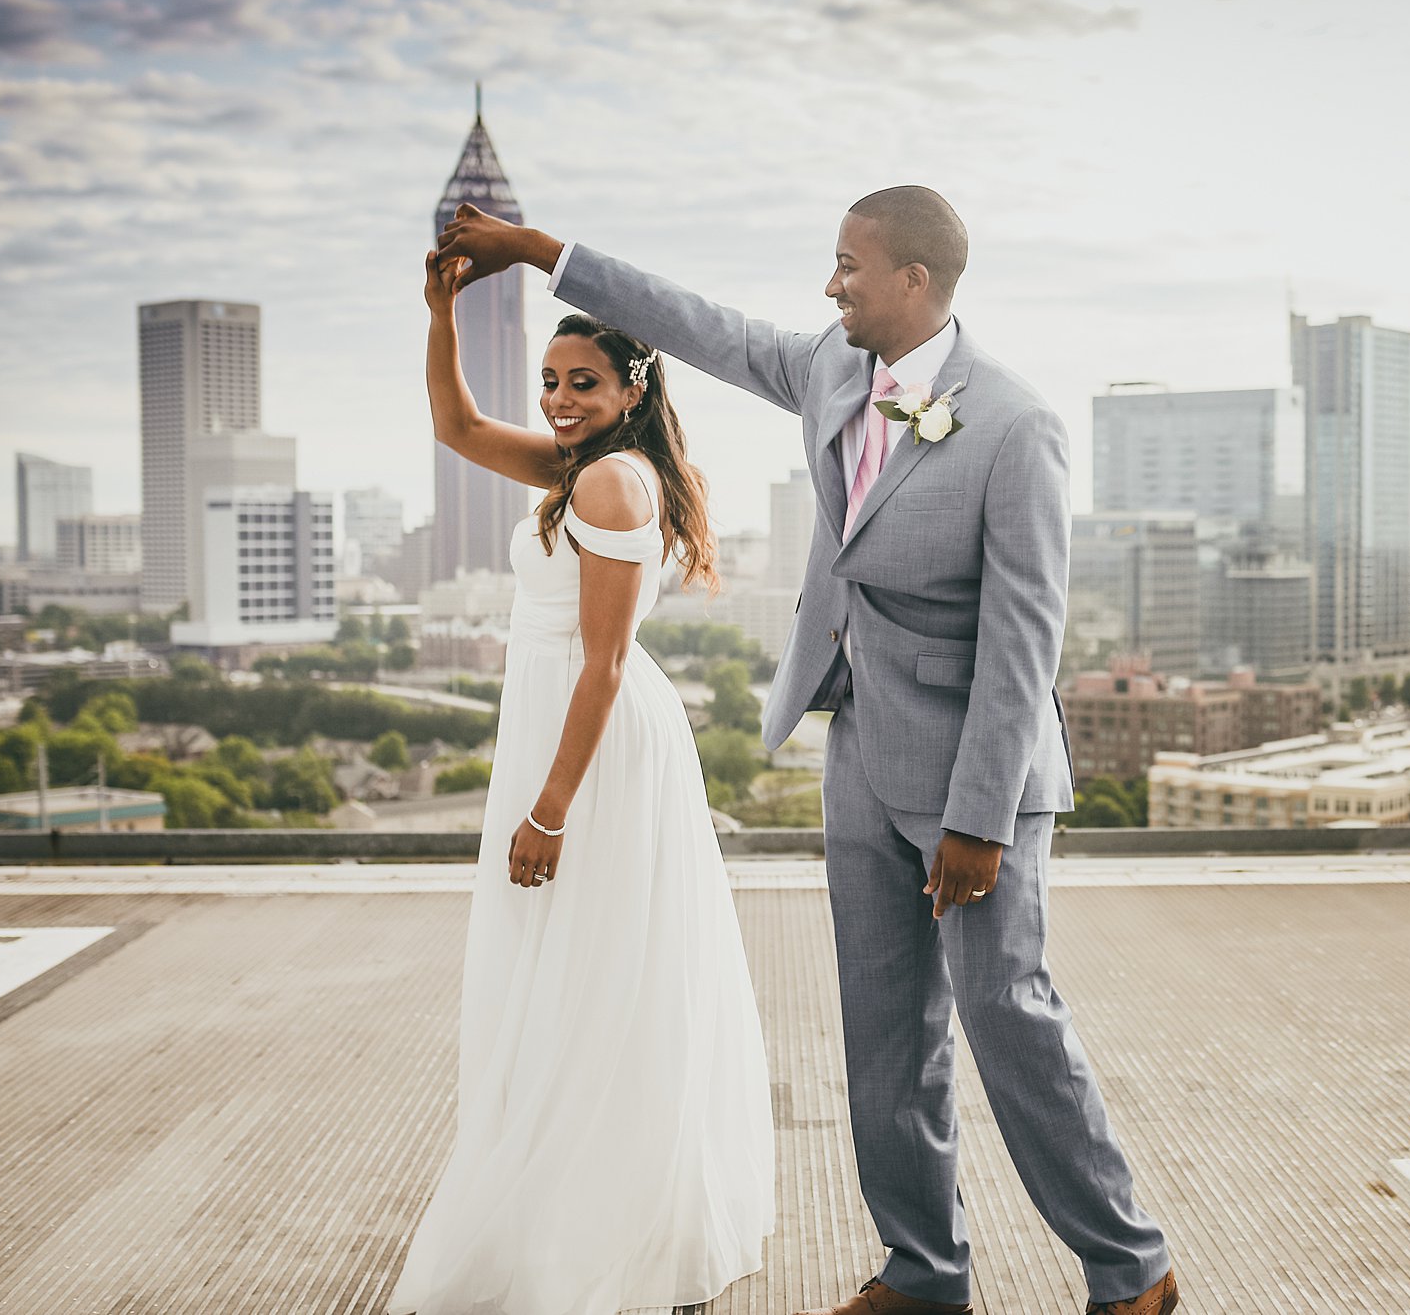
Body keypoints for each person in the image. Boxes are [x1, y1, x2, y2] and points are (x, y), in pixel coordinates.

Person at [436, 186, 1178, 1315]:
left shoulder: (1017, 427)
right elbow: (693, 322)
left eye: (847, 266)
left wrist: (978, 816)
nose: (829, 285)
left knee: (1006, 1019)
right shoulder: (830, 370)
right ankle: (923, 1275)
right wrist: (539, 251)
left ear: (913, 281)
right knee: (885, 1037)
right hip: (860, 754)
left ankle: (1131, 1271)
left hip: (977, 780)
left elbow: (1025, 640)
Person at [386, 251, 775, 1315]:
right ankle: (588, 1215)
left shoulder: (608, 478)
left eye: (582, 384)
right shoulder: (580, 466)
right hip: (564, 723)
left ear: (632, 389)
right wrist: (439, 316)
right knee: (588, 975)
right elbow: (459, 430)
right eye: (550, 382)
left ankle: (593, 1234)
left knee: (593, 973)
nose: (559, 400)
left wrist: (547, 810)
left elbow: (602, 662)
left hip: (589, 744)